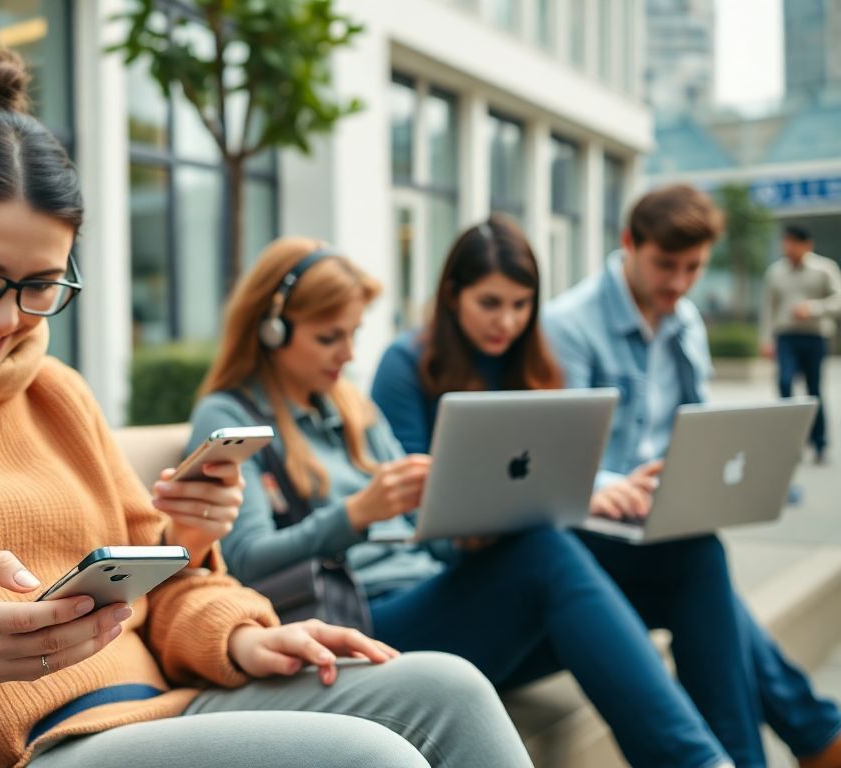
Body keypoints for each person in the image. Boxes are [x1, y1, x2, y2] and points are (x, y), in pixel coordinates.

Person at [0, 43, 533, 768]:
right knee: (371, 761)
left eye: (40, 286)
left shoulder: (56, 392)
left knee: (450, 689)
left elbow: (161, 589)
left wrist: (237, 635)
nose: (4, 319)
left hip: (161, 706)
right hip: (34, 752)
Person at [190, 235, 736, 768]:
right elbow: (244, 563)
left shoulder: (349, 406)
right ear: (272, 329)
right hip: (359, 621)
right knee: (545, 556)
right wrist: (354, 516)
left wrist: (470, 531)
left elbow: (418, 534)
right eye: (331, 337)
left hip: (429, 596)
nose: (350, 353)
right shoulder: (229, 416)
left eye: (354, 333)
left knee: (679, 561)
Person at [539, 186, 841, 768]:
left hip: (663, 519)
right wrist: (611, 487)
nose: (678, 283)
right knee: (702, 566)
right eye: (665, 265)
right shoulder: (569, 325)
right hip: (591, 529)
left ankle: (803, 739)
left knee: (700, 560)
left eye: (694, 268)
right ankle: (815, 735)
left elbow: (703, 431)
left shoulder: (685, 323)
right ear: (628, 244)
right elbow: (560, 463)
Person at [760, 224, 841, 464]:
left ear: (807, 245)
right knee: (784, 383)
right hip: (786, 337)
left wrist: (814, 309)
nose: (788, 247)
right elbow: (769, 308)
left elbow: (838, 300)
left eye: (793, 242)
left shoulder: (824, 269)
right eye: (785, 242)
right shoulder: (775, 272)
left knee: (814, 390)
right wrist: (766, 339)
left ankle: (819, 443)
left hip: (814, 337)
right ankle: (790, 441)